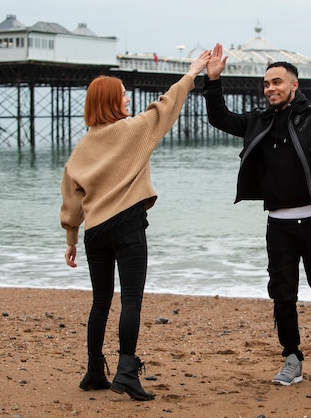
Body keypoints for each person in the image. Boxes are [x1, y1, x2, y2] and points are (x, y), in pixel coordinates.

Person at [60, 50, 211, 401]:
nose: (128, 98)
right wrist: (191, 74)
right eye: (123, 94)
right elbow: (167, 105)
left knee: (100, 301)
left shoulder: (80, 149)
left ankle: (95, 370)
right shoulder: (134, 130)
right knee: (131, 300)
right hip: (127, 227)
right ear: (112, 101)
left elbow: (71, 195)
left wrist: (70, 237)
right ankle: (126, 371)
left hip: (94, 233)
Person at [202, 43, 311, 385]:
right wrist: (213, 81)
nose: (270, 89)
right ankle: (292, 357)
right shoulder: (258, 121)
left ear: (294, 85)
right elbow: (219, 118)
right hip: (278, 224)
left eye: (277, 82)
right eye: (266, 84)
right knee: (282, 294)